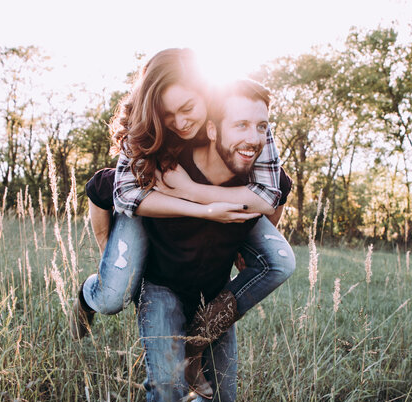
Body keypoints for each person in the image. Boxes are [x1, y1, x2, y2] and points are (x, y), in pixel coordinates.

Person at [137, 79, 294, 402]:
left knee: (223, 397)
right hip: (162, 289)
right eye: (241, 124)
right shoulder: (171, 164)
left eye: (262, 125)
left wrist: (225, 304)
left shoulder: (265, 180)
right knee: (164, 386)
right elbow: (103, 189)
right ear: (211, 128)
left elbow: (265, 238)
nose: (254, 136)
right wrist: (111, 267)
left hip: (213, 298)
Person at [72, 49, 288, 359]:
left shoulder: (241, 119)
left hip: (192, 198)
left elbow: (271, 193)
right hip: (139, 204)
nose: (180, 122)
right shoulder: (146, 125)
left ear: (207, 94)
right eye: (167, 113)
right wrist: (199, 209)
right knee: (113, 296)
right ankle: (88, 295)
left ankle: (201, 338)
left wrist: (194, 192)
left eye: (187, 108)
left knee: (283, 261)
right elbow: (117, 192)